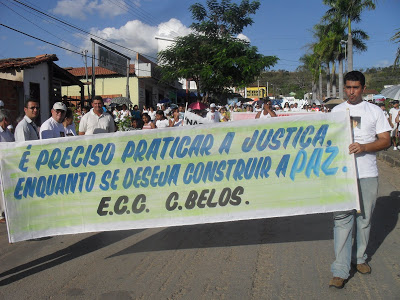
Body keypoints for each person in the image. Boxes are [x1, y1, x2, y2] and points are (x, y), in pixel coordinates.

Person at [329, 71, 391, 289]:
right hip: (342, 177)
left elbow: (386, 141)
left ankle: (360, 259)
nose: (351, 92)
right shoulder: (336, 111)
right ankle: (340, 269)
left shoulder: (375, 111)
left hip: (367, 174)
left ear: (363, 88)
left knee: (364, 220)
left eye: (355, 88)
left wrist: (364, 147)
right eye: (347, 87)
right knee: (342, 222)